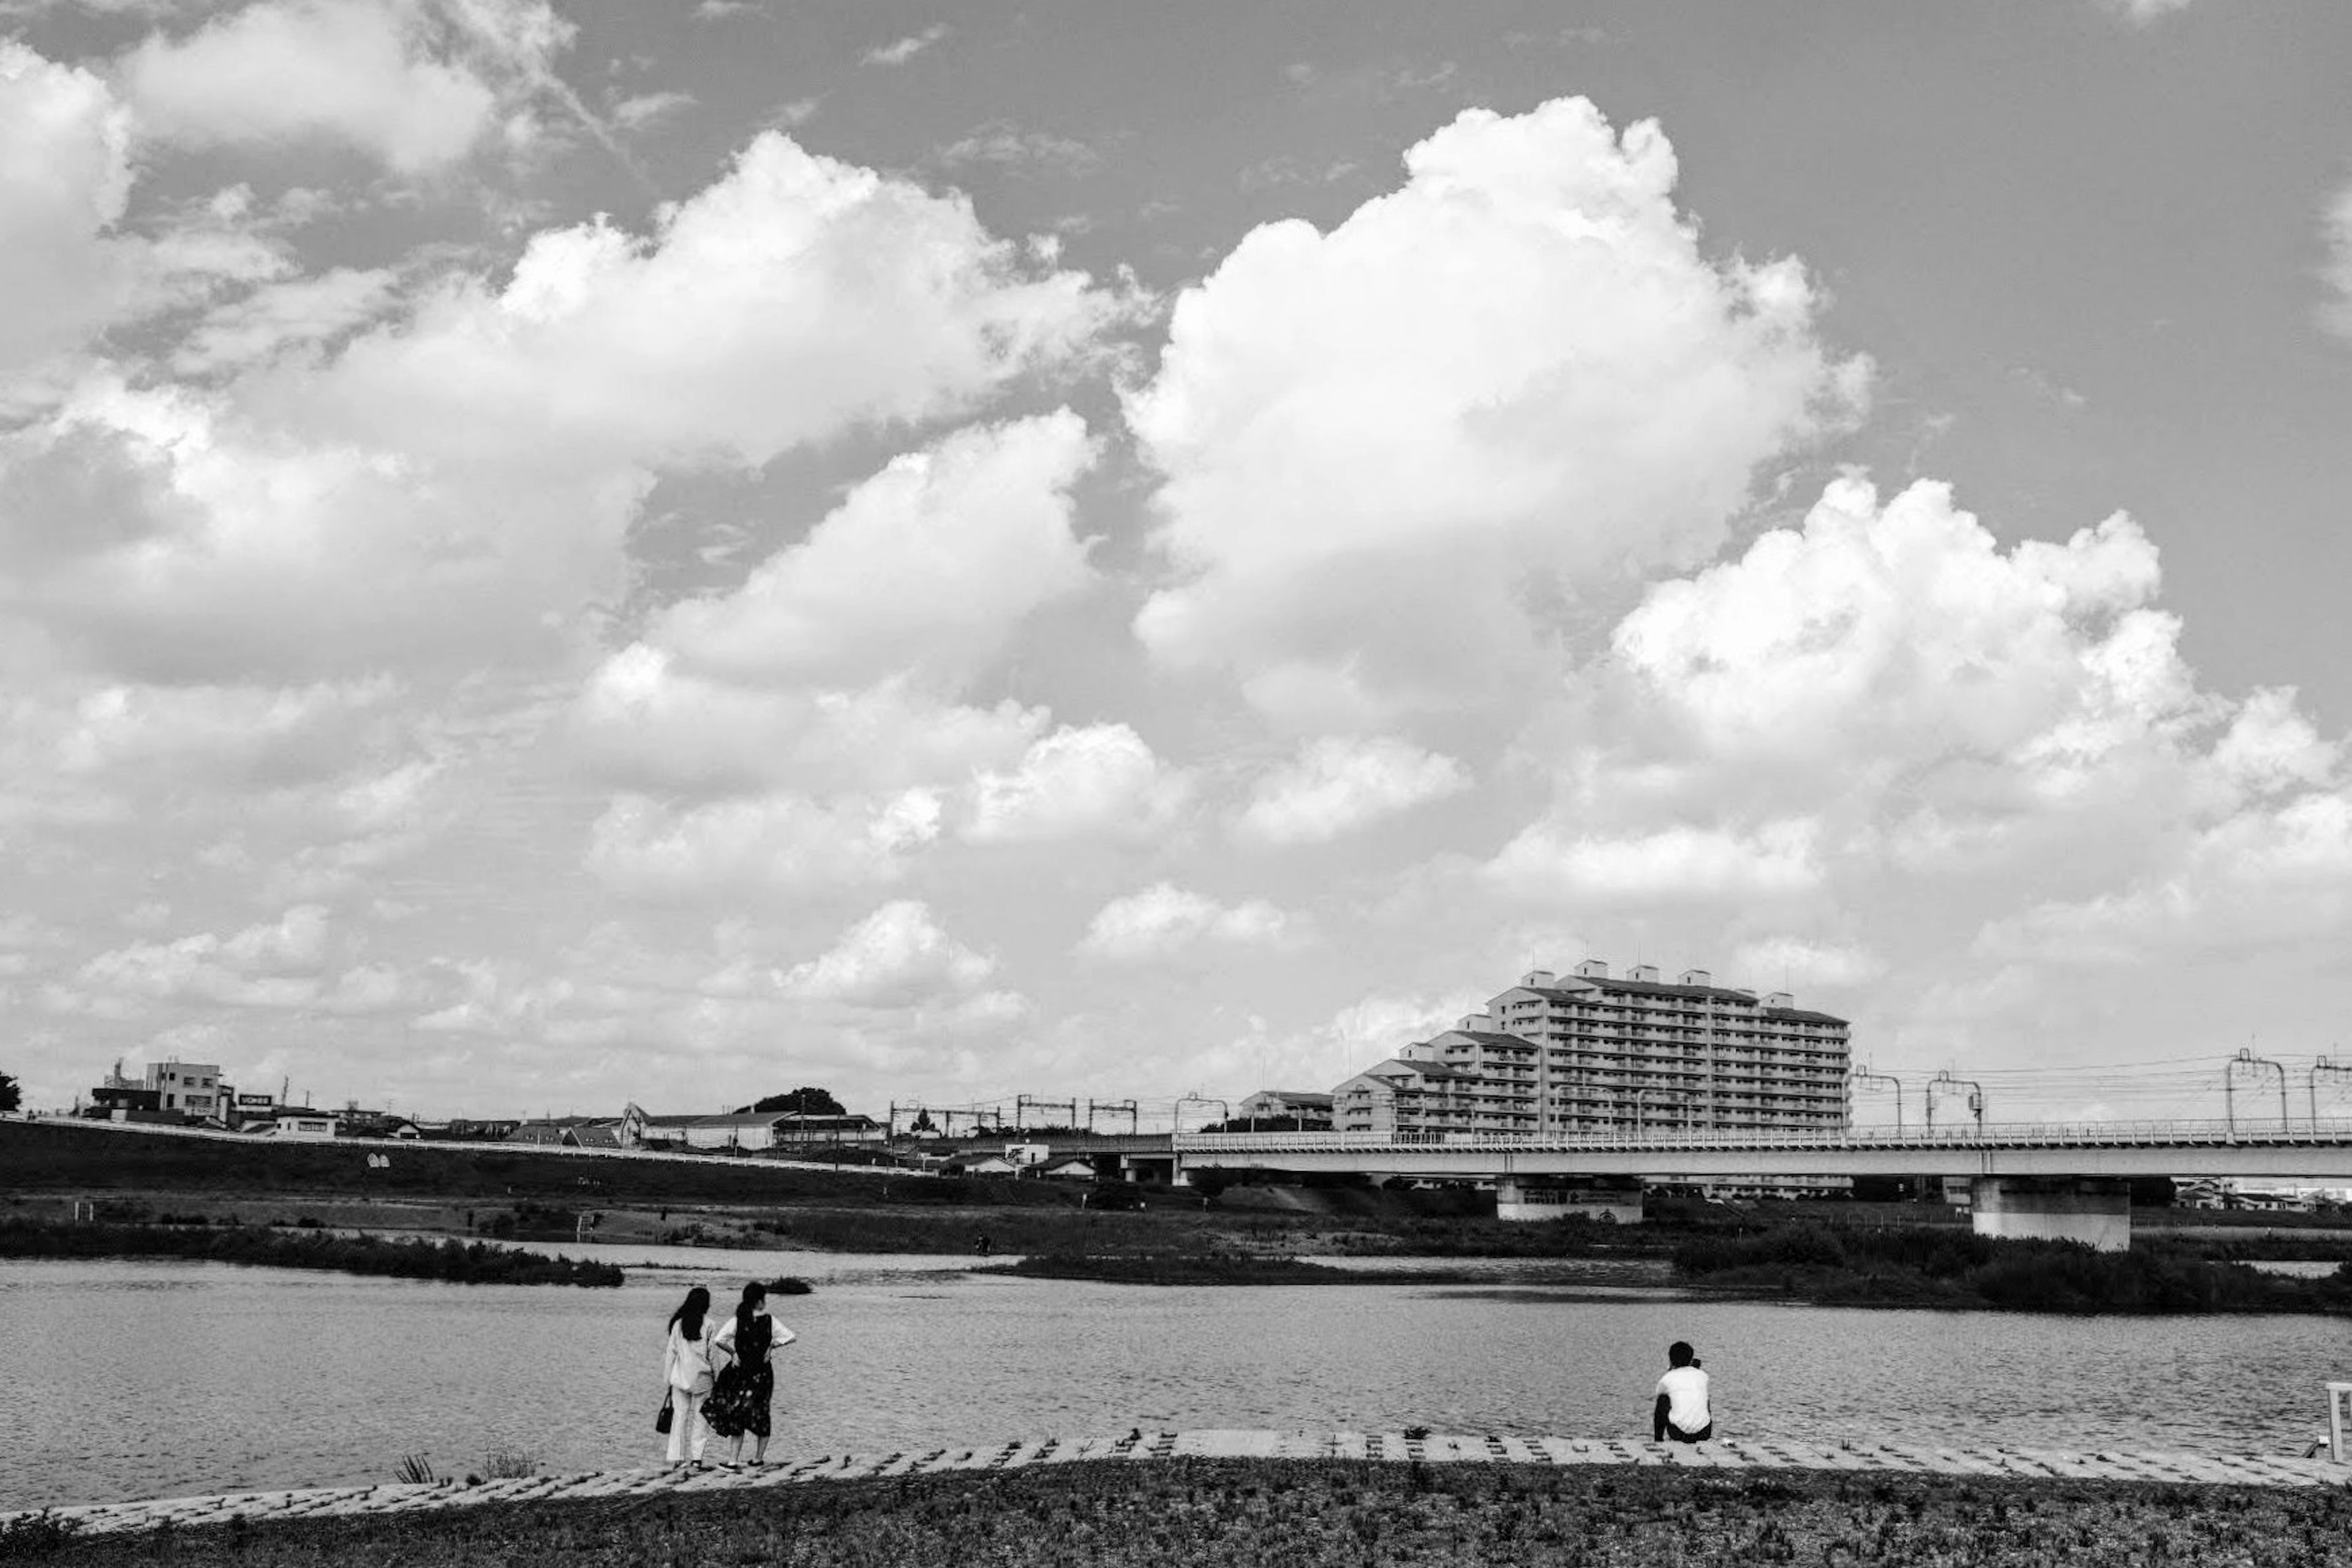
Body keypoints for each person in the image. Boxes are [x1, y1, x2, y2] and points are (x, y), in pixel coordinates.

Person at [708, 1281, 797, 1465]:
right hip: (763, 1374)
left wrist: (733, 1353)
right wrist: (772, 1346)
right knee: (762, 1413)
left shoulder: (737, 1320)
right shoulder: (770, 1320)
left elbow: (719, 1340)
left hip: (741, 1373)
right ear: (759, 1301)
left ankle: (733, 1461)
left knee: (738, 1413)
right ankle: (758, 1459)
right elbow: (790, 1336)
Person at [662, 1285, 717, 1466]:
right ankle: (697, 1459)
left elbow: (671, 1353)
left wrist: (667, 1378)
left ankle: (677, 1458)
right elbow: (713, 1355)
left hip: (680, 1379)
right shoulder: (709, 1324)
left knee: (679, 1418)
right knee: (701, 1420)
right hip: (702, 1379)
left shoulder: (678, 1324)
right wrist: (717, 1377)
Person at [1653, 1340, 1713, 1445]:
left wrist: (1670, 1372)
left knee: (1663, 1399)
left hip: (1678, 1433)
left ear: (1671, 1361)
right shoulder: (1702, 1376)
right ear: (1691, 1360)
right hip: (1704, 1433)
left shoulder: (1667, 1378)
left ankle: (1658, 1439)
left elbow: (1660, 1395)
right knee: (1701, 1396)